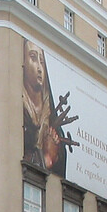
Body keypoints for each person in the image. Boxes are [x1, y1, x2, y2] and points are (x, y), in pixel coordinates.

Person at [22, 40, 76, 175]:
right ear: (22, 62)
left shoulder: (53, 122)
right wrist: (46, 159)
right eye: (33, 58)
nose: (39, 68)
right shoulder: (16, 110)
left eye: (42, 61)